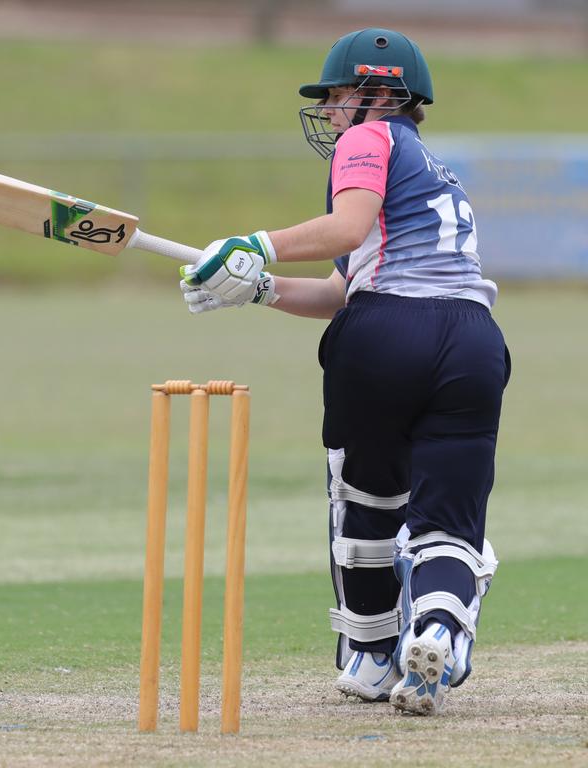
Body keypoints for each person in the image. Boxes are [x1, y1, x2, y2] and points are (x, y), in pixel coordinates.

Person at [179, 27, 511, 716]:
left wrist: (255, 243)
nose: (330, 113)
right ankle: (438, 633)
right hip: (473, 342)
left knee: (366, 499)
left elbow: (346, 229)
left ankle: (368, 654)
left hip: (386, 336)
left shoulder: (372, 137)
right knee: (448, 520)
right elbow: (337, 290)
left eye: (335, 97)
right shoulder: (433, 170)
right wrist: (261, 287)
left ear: (377, 92)